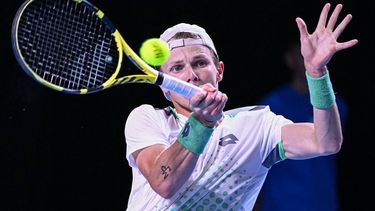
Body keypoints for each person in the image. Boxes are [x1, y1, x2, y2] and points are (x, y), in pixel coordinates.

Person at [124, 3, 358, 210]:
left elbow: (325, 142)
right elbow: (164, 184)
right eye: (177, 68)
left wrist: (317, 74)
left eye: (200, 62)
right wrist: (203, 121)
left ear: (219, 71)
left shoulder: (258, 126)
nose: (191, 75)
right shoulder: (147, 119)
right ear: (165, 88)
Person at [255, 41, 348, 211]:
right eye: (303, 54)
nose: (310, 58)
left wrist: (318, 73)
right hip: (280, 203)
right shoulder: (271, 105)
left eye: (314, 52)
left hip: (323, 201)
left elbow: (330, 146)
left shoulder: (336, 105)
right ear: (290, 59)